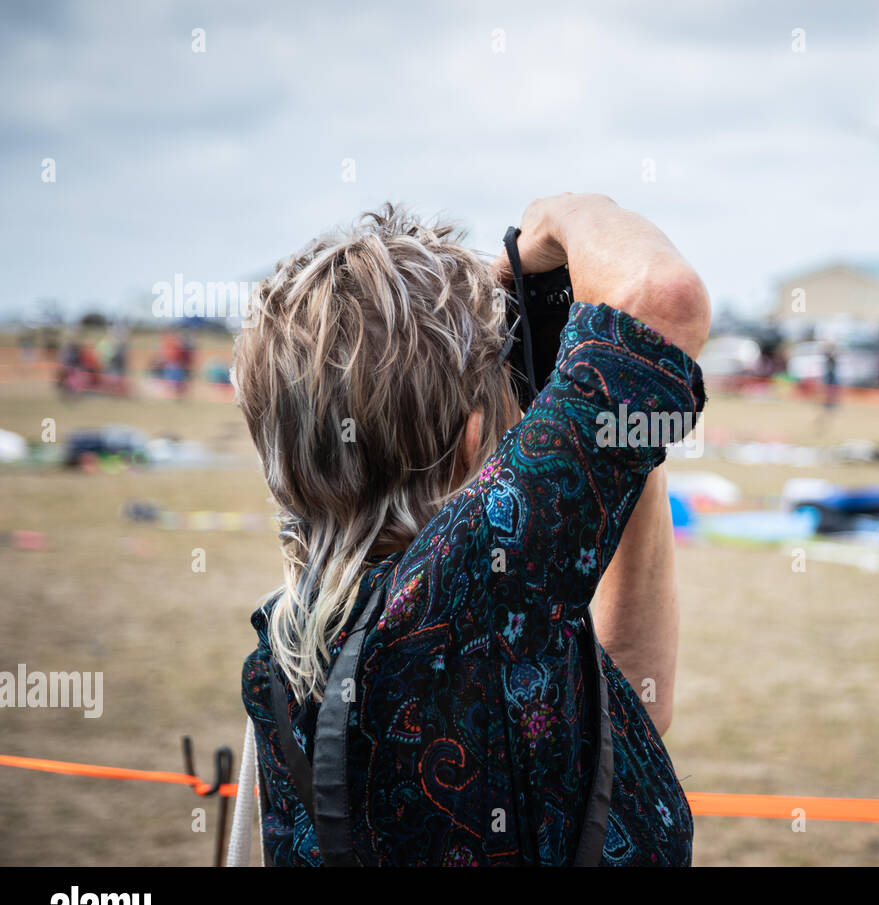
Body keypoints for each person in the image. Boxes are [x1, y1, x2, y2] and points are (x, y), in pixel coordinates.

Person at [232, 195, 709, 866]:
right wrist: (559, 216)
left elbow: (627, 709)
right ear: (472, 441)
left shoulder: (302, 642)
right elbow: (663, 297)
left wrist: (620, 453)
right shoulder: (464, 583)